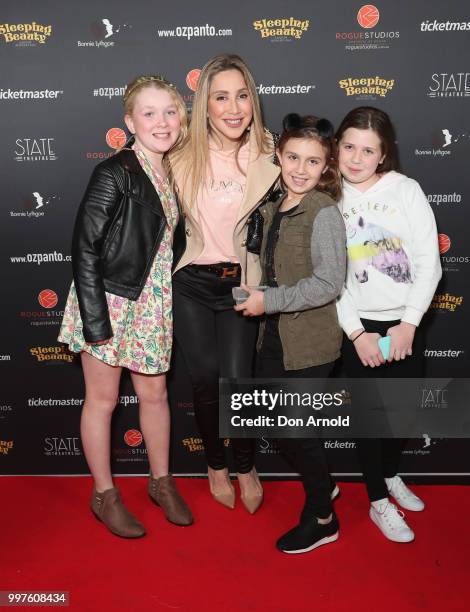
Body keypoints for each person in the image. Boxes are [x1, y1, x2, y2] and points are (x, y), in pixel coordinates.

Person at [58, 75, 193, 538]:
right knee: (104, 400)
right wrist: (96, 323)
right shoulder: (114, 171)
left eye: (170, 112)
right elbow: (85, 249)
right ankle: (104, 494)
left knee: (155, 396)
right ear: (129, 121)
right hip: (109, 301)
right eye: (150, 113)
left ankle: (161, 482)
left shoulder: (174, 171)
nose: (162, 122)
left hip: (152, 303)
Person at [170, 54, 280, 513]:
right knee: (203, 381)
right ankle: (215, 465)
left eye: (241, 96)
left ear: (252, 100)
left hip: (240, 284)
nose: (233, 108)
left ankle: (245, 463)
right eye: (221, 97)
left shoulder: (272, 153)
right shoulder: (177, 154)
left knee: (240, 381)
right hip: (193, 282)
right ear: (205, 105)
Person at [236, 114, 346, 553]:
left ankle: (323, 517)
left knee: (294, 432)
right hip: (274, 339)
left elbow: (329, 283)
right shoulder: (273, 207)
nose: (301, 169)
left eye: (313, 161)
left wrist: (269, 301)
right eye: (294, 157)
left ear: (326, 167)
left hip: (312, 344)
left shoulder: (323, 211)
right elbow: (277, 274)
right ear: (279, 156)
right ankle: (327, 486)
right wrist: (255, 294)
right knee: (281, 429)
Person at [335, 106, 442, 543]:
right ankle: (378, 499)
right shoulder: (327, 196)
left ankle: (392, 474)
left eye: (367, 150)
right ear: (336, 147)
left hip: (403, 325)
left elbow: (427, 263)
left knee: (402, 417)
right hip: (359, 328)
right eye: (348, 147)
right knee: (368, 420)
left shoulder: (406, 190)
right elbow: (330, 277)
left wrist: (408, 325)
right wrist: (358, 334)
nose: (356, 158)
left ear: (383, 156)